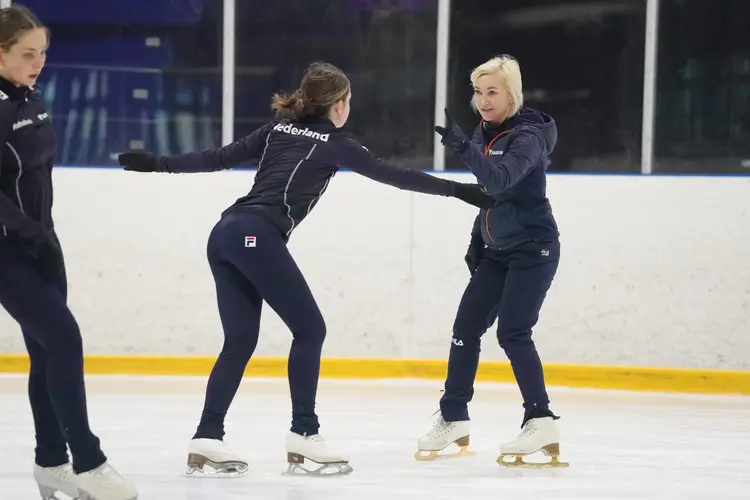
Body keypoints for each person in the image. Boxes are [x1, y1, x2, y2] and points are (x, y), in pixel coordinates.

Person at [117, 60, 494, 477]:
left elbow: (217, 157)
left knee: (239, 340)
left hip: (225, 234)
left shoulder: (277, 130)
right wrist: (458, 190)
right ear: (339, 105)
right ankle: (304, 431)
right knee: (310, 329)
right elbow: (394, 175)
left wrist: (157, 163)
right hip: (256, 235)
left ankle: (207, 437)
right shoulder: (337, 143)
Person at [0, 5, 139, 500]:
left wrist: (45, 237)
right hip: (8, 250)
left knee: (45, 352)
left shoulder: (31, 96)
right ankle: (89, 461)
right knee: (64, 340)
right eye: (27, 54)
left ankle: (50, 463)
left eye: (42, 52)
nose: (38, 62)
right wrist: (27, 233)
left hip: (41, 242)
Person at [415, 55, 567, 468]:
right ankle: (453, 416)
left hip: (533, 248)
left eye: (492, 92)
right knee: (465, 328)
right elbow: (491, 196)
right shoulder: (487, 132)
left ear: (512, 94)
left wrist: (464, 148)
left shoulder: (527, 137)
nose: (483, 100)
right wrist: (478, 237)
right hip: (497, 251)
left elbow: (499, 180)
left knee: (513, 332)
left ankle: (540, 419)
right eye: (478, 92)